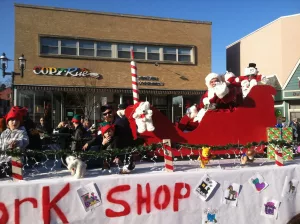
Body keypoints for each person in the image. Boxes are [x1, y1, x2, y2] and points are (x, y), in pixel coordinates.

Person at [0, 107, 29, 177]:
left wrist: (17, 142)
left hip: (15, 163)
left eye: (17, 120)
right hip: (2, 161)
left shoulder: (22, 132)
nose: (15, 122)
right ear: (7, 123)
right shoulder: (4, 133)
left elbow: (25, 141)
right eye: (12, 120)